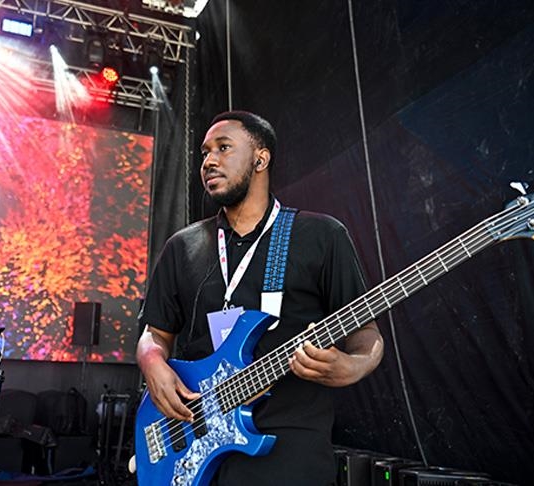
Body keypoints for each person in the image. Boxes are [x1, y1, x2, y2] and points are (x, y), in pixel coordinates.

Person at [137, 111, 384, 485]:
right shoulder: (182, 246)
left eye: (223, 148)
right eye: (205, 152)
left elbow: (366, 332)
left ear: (260, 158)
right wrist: (151, 362)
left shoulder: (321, 235)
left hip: (289, 452)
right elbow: (155, 334)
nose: (209, 161)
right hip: (193, 443)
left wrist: (354, 366)